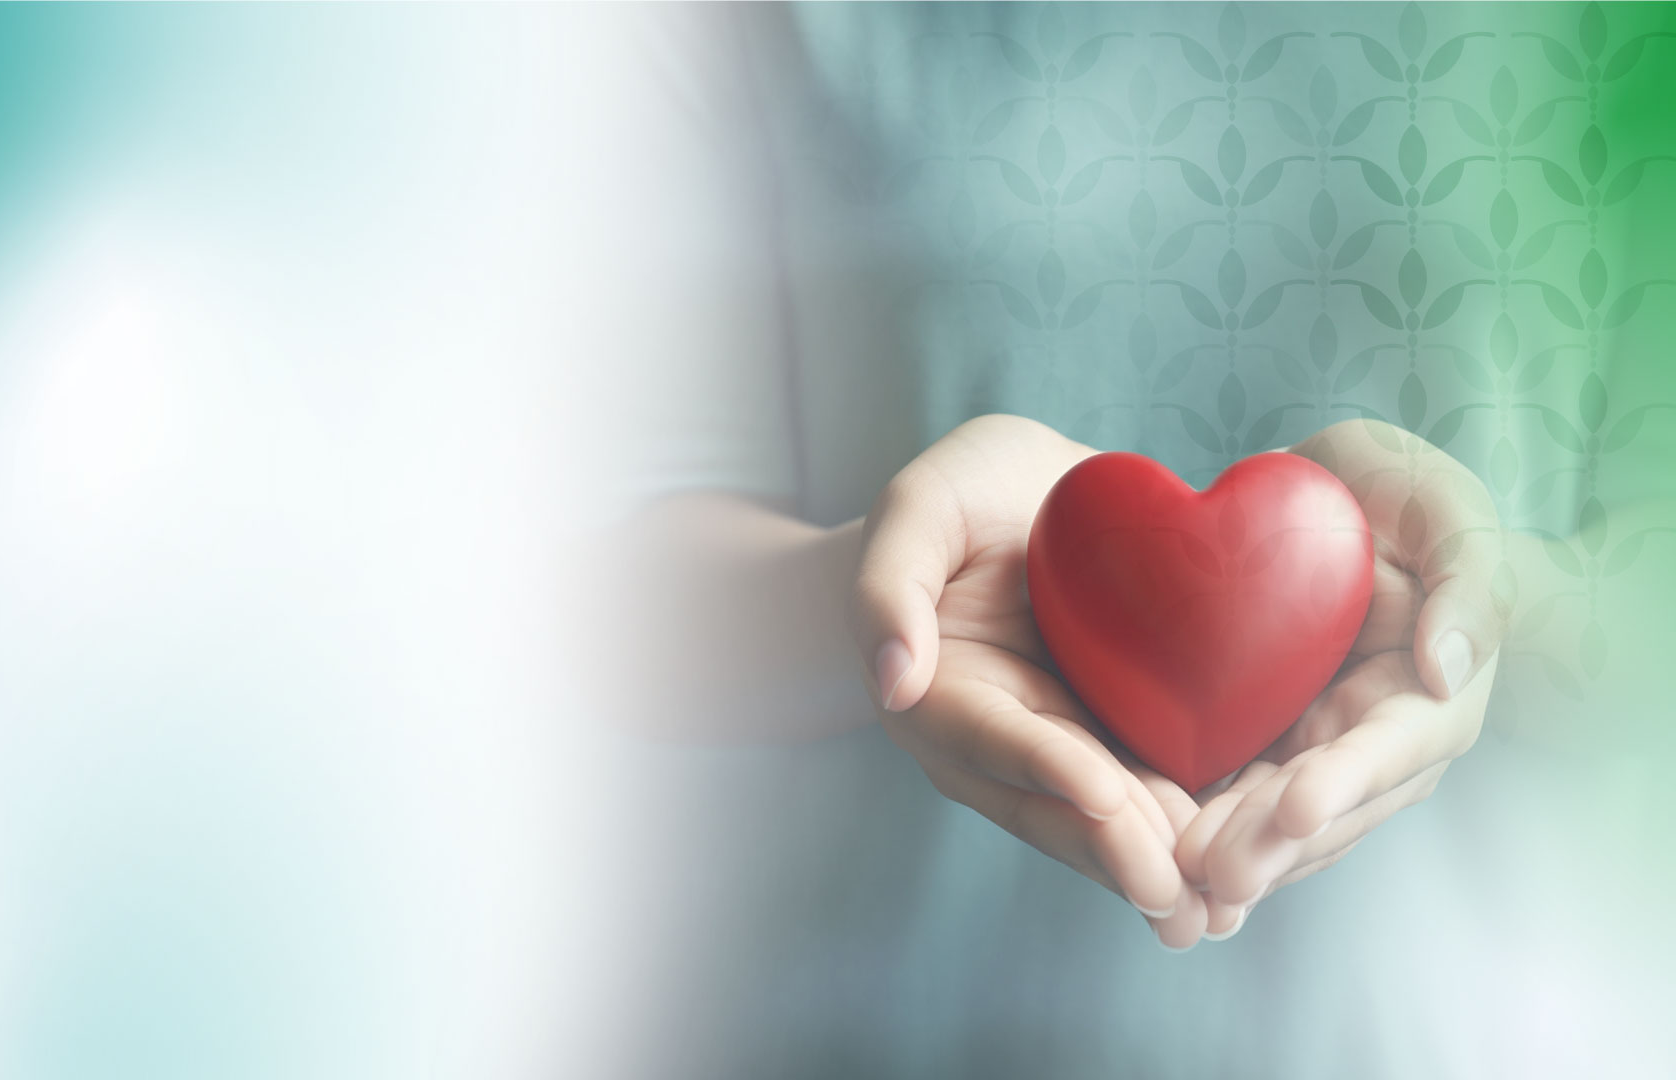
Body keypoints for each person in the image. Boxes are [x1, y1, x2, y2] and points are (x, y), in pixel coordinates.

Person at [606, 4, 1676, 1075]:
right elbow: (579, 589)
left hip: (1484, 1035)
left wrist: (1496, 613)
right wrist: (874, 596)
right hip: (867, 1029)